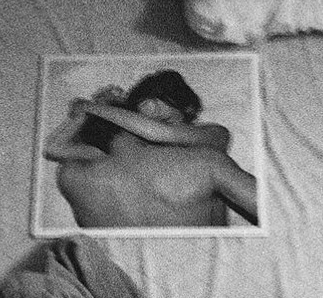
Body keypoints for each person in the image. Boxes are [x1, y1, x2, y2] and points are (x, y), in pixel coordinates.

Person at [44, 70, 258, 228]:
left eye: (165, 111)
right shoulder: (111, 156)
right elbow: (53, 148)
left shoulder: (213, 135)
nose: (151, 109)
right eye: (139, 117)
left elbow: (159, 133)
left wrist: (93, 107)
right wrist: (94, 111)